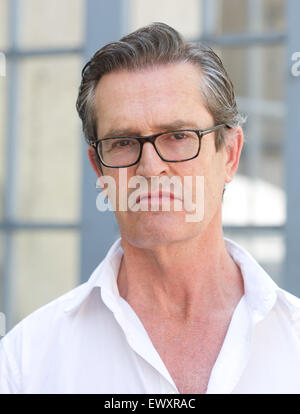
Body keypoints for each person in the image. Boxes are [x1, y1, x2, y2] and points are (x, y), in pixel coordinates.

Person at [1, 22, 300, 395]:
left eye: (178, 136)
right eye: (124, 142)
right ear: (99, 169)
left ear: (230, 154)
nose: (150, 167)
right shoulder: (26, 362)